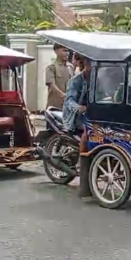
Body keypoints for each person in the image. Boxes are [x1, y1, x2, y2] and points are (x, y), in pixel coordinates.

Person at [60, 56, 93, 198]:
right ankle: (82, 162)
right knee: (88, 130)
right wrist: (79, 107)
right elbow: (69, 101)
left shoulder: (98, 80)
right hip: (75, 116)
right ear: (85, 64)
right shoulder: (76, 80)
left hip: (91, 113)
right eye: (91, 64)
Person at [45, 44, 74, 110]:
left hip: (68, 106)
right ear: (56, 51)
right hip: (55, 106)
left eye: (68, 51)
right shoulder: (51, 67)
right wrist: (63, 96)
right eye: (64, 51)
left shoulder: (71, 67)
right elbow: (52, 85)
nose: (67, 53)